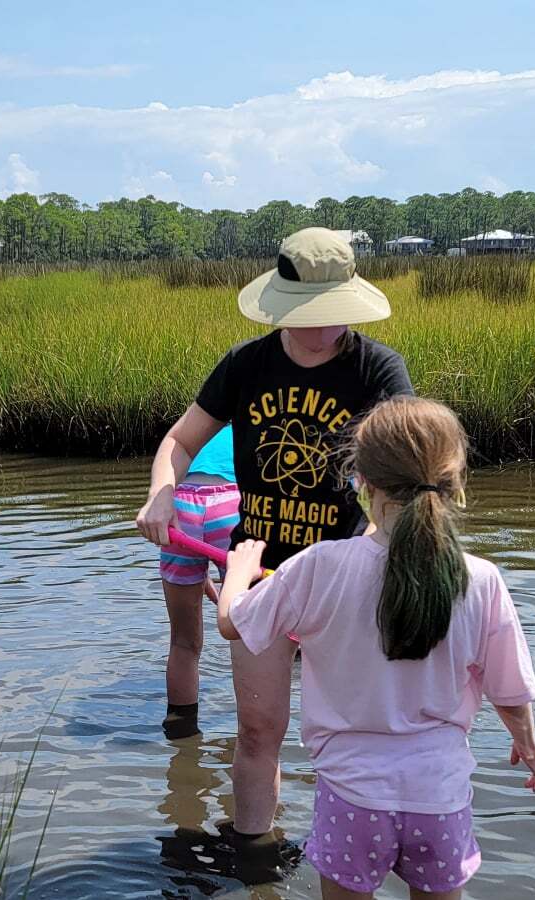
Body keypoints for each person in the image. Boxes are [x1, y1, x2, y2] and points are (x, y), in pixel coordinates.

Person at [135, 227, 413, 849]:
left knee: (349, 733)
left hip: (342, 577)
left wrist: (379, 539)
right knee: (259, 732)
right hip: (257, 573)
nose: (321, 332)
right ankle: (255, 857)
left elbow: (404, 472)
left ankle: (354, 855)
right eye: (306, 318)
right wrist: (161, 494)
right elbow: (180, 442)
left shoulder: (378, 369)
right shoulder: (245, 364)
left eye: (332, 317)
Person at [215, 396, 535, 900]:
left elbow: (233, 625)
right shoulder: (480, 578)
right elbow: (509, 689)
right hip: (440, 797)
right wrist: (527, 742)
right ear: (454, 481)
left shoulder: (319, 565)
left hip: (353, 796)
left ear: (361, 480)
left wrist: (237, 577)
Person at [158, 425, 238, 741]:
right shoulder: (260, 422)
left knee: (183, 642)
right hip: (233, 504)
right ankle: (249, 739)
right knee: (247, 640)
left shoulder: (197, 427)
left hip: (181, 508)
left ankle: (182, 740)